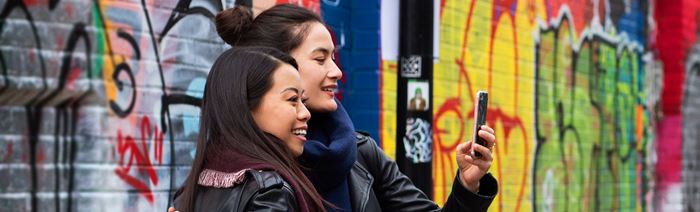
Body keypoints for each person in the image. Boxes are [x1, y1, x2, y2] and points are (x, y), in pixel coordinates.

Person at [173, 4, 498, 212]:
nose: (336, 70)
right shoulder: (237, 176)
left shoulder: (361, 153)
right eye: (320, 58)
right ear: (275, 62)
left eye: (334, 56)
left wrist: (468, 185)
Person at [172, 47, 326, 212]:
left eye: (303, 100)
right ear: (245, 107)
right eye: (293, 99)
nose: (306, 113)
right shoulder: (268, 192)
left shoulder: (192, 189)